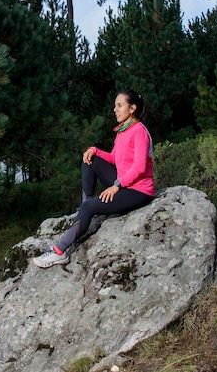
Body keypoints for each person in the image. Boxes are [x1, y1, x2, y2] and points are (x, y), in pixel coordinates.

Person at [32, 88, 155, 268]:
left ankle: (59, 252)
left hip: (139, 190)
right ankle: (86, 204)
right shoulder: (122, 131)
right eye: (115, 106)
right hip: (124, 184)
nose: (115, 109)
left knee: (90, 208)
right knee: (89, 159)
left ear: (132, 108)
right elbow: (114, 159)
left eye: (120, 105)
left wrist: (117, 185)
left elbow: (139, 166)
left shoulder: (139, 131)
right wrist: (94, 150)